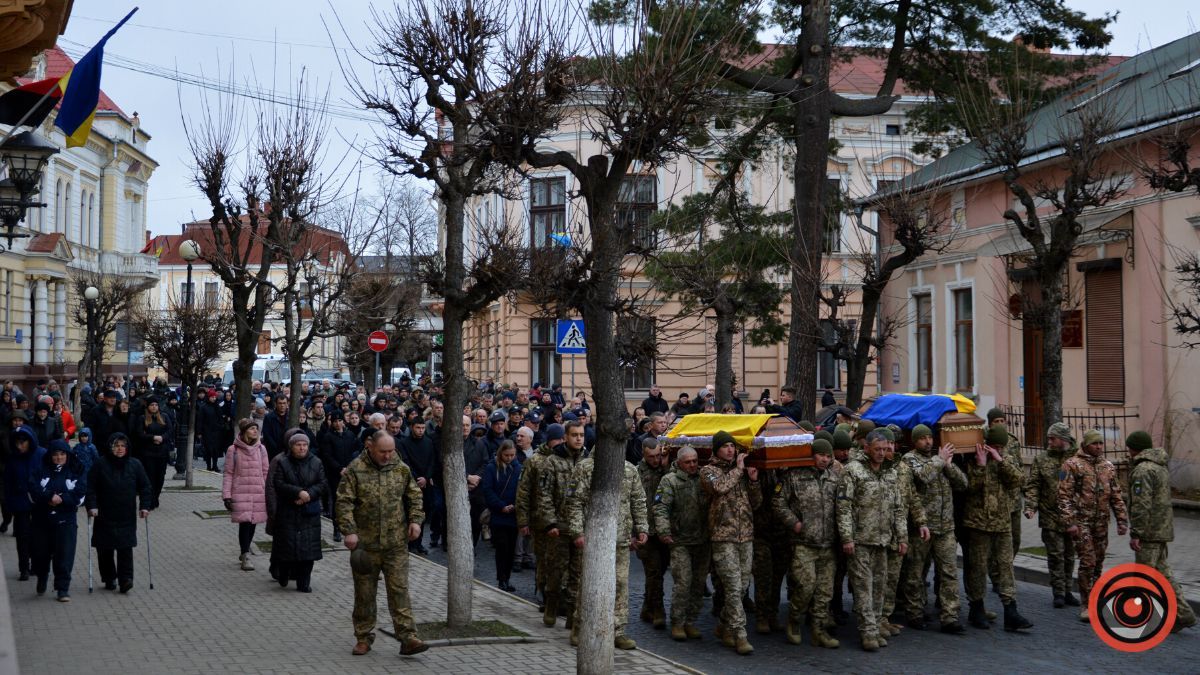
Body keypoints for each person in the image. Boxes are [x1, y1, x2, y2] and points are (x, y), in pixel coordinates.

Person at [336, 429, 428, 657]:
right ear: (370, 447)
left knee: (399, 591)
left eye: (391, 451)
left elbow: (414, 496)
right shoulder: (355, 469)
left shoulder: (401, 468)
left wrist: (416, 520)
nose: (387, 456)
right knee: (365, 594)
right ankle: (363, 637)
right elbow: (344, 502)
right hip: (365, 546)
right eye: (382, 452)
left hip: (395, 543)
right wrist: (349, 531)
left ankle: (408, 638)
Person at [564, 444, 649, 650]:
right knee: (590, 583)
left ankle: (617, 630)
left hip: (620, 538)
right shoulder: (586, 468)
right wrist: (577, 531)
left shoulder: (629, 469)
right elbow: (573, 500)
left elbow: (638, 500)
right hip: (594, 537)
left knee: (620, 584)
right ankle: (580, 627)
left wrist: (642, 528)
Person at [837, 430, 911, 652]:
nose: (881, 453)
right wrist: (847, 537)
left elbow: (898, 508)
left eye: (884, 449)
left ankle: (877, 625)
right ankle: (867, 632)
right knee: (863, 587)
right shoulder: (853, 471)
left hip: (883, 539)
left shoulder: (890, 473)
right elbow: (844, 507)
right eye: (877, 449)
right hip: (860, 539)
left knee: (880, 586)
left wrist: (902, 536)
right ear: (866, 448)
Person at [962, 425, 1033, 631]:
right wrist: (981, 465)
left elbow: (1019, 481)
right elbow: (968, 488)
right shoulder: (971, 459)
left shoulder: (1005, 460)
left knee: (1005, 566)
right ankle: (976, 608)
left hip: (1002, 522)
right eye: (994, 446)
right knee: (978, 566)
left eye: (1000, 447)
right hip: (978, 523)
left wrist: (1001, 461)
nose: (997, 450)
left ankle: (1011, 611)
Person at [772, 438, 841, 648]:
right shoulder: (794, 475)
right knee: (805, 586)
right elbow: (778, 501)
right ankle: (794, 620)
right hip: (803, 543)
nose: (825, 459)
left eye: (828, 456)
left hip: (828, 543)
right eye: (821, 455)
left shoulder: (834, 477)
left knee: (825, 591)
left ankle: (818, 630)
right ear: (812, 455)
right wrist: (794, 523)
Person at [1125, 430, 1197, 632]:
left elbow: (1141, 504)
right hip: (1161, 529)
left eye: (1129, 447)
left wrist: (1136, 533)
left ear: (1134, 448)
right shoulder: (1159, 467)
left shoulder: (1142, 470)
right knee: (1164, 574)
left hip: (1149, 532)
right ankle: (1183, 614)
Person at [899, 425, 968, 633]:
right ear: (915, 441)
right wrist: (939, 460)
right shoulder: (909, 460)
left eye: (930, 437)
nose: (928, 442)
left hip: (945, 527)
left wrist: (948, 464)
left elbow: (963, 484)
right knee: (916, 572)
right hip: (921, 528)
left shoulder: (941, 458)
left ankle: (950, 616)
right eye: (923, 439)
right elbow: (923, 477)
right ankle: (915, 612)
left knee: (949, 572)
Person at [701, 429, 761, 656]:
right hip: (722, 537)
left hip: (745, 536)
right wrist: (738, 469)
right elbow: (719, 488)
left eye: (733, 446)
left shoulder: (742, 473)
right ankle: (739, 634)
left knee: (743, 585)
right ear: (717, 449)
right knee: (734, 587)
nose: (730, 449)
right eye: (726, 446)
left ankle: (724, 625)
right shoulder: (708, 471)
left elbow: (755, 504)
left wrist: (753, 481)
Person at [1059, 428, 1128, 623]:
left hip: (1101, 523)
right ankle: (1086, 604)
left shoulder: (1107, 466)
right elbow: (1064, 496)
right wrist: (1070, 522)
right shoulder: (1072, 465)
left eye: (1100, 443)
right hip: (1082, 523)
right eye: (1094, 443)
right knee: (1088, 561)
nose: (1098, 447)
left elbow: (1116, 495)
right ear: (1085, 445)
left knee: (1098, 562)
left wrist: (1122, 520)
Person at [534, 419, 588, 628]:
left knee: (577, 573)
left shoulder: (587, 461)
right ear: (565, 437)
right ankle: (551, 604)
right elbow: (543, 494)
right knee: (556, 571)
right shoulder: (552, 462)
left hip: (580, 528)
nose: (578, 439)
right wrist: (550, 523)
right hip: (559, 527)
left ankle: (573, 615)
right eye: (574, 435)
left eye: (581, 435)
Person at [653, 446, 709, 641]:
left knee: (698, 583)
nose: (693, 465)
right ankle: (677, 622)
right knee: (683, 583)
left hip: (702, 539)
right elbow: (660, 508)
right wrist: (663, 531)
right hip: (680, 541)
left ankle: (690, 621)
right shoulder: (670, 481)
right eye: (689, 462)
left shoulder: (703, 477)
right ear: (680, 462)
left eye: (695, 461)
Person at [1022, 422, 1079, 608]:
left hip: (1072, 516)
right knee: (1055, 555)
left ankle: (1069, 590)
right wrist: (1030, 506)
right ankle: (1058, 593)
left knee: (1070, 556)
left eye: (1052, 438)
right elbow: (1034, 485)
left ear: (1063, 439)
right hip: (1049, 515)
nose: (1049, 441)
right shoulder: (1042, 459)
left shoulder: (1078, 459)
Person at [86, 433, 151, 593]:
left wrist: (144, 506)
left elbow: (145, 487)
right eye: (116, 446)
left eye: (123, 446)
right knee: (105, 548)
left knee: (125, 548)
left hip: (126, 514)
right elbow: (91, 487)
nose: (120, 449)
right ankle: (109, 578)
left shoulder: (135, 464)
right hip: (104, 514)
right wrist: (92, 506)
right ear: (110, 447)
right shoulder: (100, 464)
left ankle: (126, 580)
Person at [29, 439, 87, 600]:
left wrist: (62, 499)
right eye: (55, 454)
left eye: (62, 454)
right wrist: (48, 497)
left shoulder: (75, 470)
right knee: (40, 554)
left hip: (66, 520)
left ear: (67, 455)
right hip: (42, 520)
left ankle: (62, 588)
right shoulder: (41, 469)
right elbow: (33, 489)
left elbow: (80, 493)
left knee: (64, 554)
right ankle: (42, 577)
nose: (59, 457)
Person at [271, 428, 327, 592]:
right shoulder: (283, 462)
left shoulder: (316, 462)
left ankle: (304, 583)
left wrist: (308, 494)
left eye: (304, 445)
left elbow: (323, 484)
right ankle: (284, 573)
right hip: (288, 511)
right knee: (287, 547)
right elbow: (279, 484)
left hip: (309, 512)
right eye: (298, 445)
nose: (302, 448)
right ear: (291, 446)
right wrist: (297, 492)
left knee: (308, 550)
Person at [516, 422, 563, 607]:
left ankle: (557, 594)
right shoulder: (534, 461)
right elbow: (523, 492)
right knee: (543, 558)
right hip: (540, 520)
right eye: (557, 439)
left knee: (559, 560)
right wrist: (523, 521)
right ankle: (542, 590)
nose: (560, 442)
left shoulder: (564, 459)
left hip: (561, 519)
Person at [223, 419, 270, 572]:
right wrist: (226, 495)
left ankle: (245, 549)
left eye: (256, 428)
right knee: (245, 524)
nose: (255, 431)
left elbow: (266, 472)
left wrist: (267, 491)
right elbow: (229, 473)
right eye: (251, 429)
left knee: (253, 523)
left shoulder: (261, 449)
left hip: (258, 492)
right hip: (241, 491)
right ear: (243, 432)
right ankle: (245, 554)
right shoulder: (233, 450)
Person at [636, 437, 670, 629]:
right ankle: (658, 610)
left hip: (663, 529)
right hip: (645, 531)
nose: (655, 460)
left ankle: (647, 607)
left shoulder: (665, 469)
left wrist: (665, 465)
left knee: (660, 571)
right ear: (643, 454)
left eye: (658, 455)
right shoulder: (636, 472)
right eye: (652, 457)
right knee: (654, 571)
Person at [482, 440, 522, 592]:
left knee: (511, 549)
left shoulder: (518, 468)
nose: (509, 458)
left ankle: (507, 577)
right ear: (500, 454)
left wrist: (515, 505)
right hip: (498, 514)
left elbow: (522, 489)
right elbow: (488, 490)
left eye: (512, 455)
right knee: (502, 548)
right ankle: (501, 579)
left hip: (513, 514)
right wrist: (501, 506)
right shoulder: (492, 468)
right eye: (506, 455)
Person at [5, 426, 45, 580]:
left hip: (38, 502)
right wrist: (9, 503)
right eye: (17, 443)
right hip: (19, 502)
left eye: (23, 442)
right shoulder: (13, 458)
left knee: (37, 535)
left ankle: (35, 564)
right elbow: (8, 482)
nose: (20, 446)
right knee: (22, 536)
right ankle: (24, 568)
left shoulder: (41, 454)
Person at [399, 418, 439, 554]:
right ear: (411, 427)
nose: (421, 430)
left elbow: (432, 461)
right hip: (410, 483)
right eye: (418, 428)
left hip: (426, 484)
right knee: (410, 513)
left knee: (423, 513)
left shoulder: (428, 442)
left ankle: (419, 542)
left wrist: (426, 478)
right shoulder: (404, 443)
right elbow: (405, 462)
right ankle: (409, 542)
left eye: (422, 428)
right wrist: (417, 478)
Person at [319, 411, 359, 542]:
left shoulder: (350, 435)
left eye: (340, 420)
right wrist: (339, 468)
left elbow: (355, 451)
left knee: (352, 500)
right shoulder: (328, 437)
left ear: (343, 421)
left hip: (350, 472)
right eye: (335, 421)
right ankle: (336, 528)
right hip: (335, 474)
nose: (337, 423)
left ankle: (349, 527)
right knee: (337, 500)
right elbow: (327, 456)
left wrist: (350, 467)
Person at [134, 398, 174, 510]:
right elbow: (140, 433)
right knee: (150, 477)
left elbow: (170, 430)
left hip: (162, 453)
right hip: (148, 453)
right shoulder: (142, 418)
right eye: (152, 405)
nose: (154, 407)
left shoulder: (164, 417)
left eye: (156, 405)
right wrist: (152, 437)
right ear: (148, 407)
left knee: (160, 478)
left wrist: (162, 438)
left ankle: (156, 497)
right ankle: (150, 500)